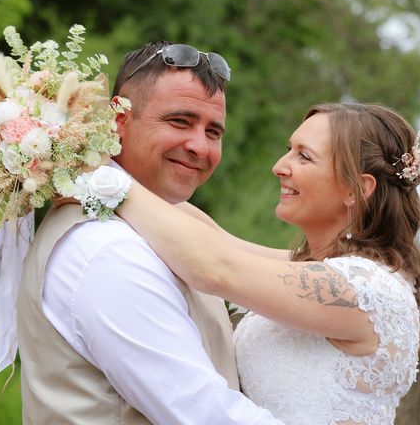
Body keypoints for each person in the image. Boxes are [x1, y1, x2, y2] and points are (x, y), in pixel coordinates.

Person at [115, 102, 420, 424]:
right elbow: (218, 240)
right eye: (289, 150)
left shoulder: (365, 288)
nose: (280, 166)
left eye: (304, 156)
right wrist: (97, 157)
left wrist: (108, 185)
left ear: (356, 189)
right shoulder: (325, 269)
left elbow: (214, 268)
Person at [16, 42, 283, 424]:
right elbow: (203, 413)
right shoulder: (106, 247)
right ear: (118, 120)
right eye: (180, 121)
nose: (199, 147)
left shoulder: (168, 220)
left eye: (213, 131)